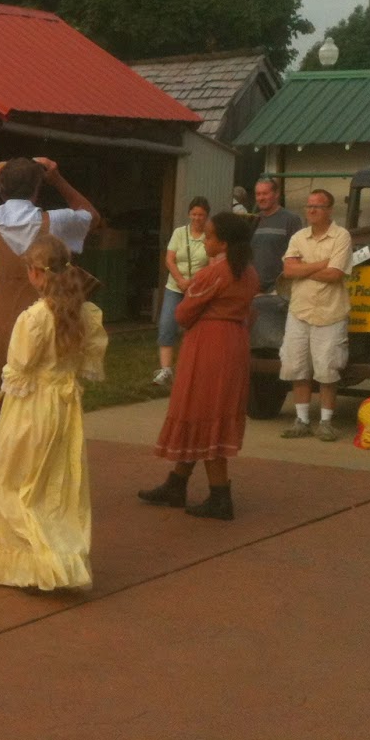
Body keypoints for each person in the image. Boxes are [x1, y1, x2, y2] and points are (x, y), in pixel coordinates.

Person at [0, 156, 99, 549]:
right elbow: (91, 216)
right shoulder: (58, 222)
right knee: (29, 423)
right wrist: (60, 178)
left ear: (0, 188)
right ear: (38, 188)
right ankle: (25, 507)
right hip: (44, 326)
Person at [0, 232, 108, 592]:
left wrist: (14, 378)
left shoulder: (33, 319)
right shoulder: (88, 314)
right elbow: (88, 363)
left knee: (17, 482)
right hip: (64, 408)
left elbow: (18, 368)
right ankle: (58, 556)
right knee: (54, 486)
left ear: (35, 273)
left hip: (31, 408)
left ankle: (35, 561)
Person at [138, 212, 259, 520]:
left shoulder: (213, 274)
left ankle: (220, 496)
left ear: (223, 243)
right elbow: (250, 311)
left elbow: (183, 314)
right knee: (207, 410)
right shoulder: (249, 273)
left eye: (209, 236)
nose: (205, 240)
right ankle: (176, 483)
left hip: (209, 345)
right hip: (235, 342)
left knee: (203, 409)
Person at [278, 190, 352, 441]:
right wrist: (321, 264)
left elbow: (335, 275)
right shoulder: (299, 236)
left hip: (330, 312)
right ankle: (301, 420)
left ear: (329, 210)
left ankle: (326, 422)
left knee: (327, 368)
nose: (311, 211)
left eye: (317, 207)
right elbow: (288, 270)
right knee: (297, 365)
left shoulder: (341, 236)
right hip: (300, 310)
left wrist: (303, 269)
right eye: (308, 206)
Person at [155, 197, 211, 387]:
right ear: (189, 214)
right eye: (194, 214)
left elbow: (212, 264)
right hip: (175, 286)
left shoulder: (210, 236)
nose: (197, 218)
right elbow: (169, 259)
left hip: (198, 288)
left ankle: (194, 369)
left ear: (206, 216)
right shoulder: (180, 233)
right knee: (167, 324)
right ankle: (165, 370)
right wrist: (180, 280)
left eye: (201, 215)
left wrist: (194, 282)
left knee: (196, 328)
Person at [249, 177, 302, 293]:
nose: (261, 198)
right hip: (253, 289)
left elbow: (299, 255)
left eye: (265, 193)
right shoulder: (252, 220)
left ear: (276, 194)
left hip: (278, 290)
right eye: (258, 194)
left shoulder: (290, 220)